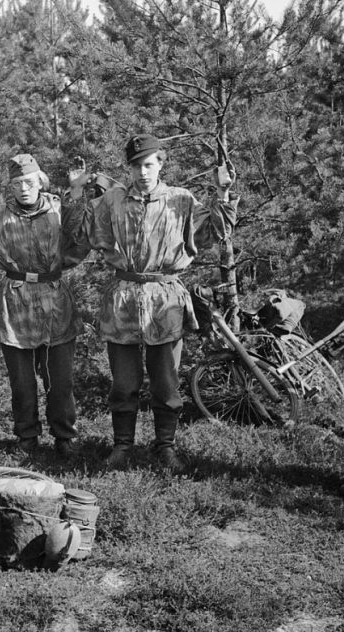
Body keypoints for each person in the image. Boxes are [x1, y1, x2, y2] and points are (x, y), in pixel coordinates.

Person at [68, 134, 236, 472]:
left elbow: (215, 232)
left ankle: (165, 447)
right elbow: (84, 235)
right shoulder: (112, 201)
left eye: (148, 164)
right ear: (128, 168)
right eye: (135, 165)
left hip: (165, 301)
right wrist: (75, 194)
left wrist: (223, 193)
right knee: (124, 382)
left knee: (166, 381)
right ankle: (122, 447)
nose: (142, 172)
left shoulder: (181, 200)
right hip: (125, 298)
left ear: (160, 163)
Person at [0, 154, 85, 459]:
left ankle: (65, 437)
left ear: (40, 182)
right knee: (22, 382)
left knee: (60, 379)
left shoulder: (59, 210)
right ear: (11, 187)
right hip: (16, 303)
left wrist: (76, 190)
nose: (24, 188)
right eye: (17, 183)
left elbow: (80, 233)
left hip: (55, 300)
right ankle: (27, 437)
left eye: (29, 182)